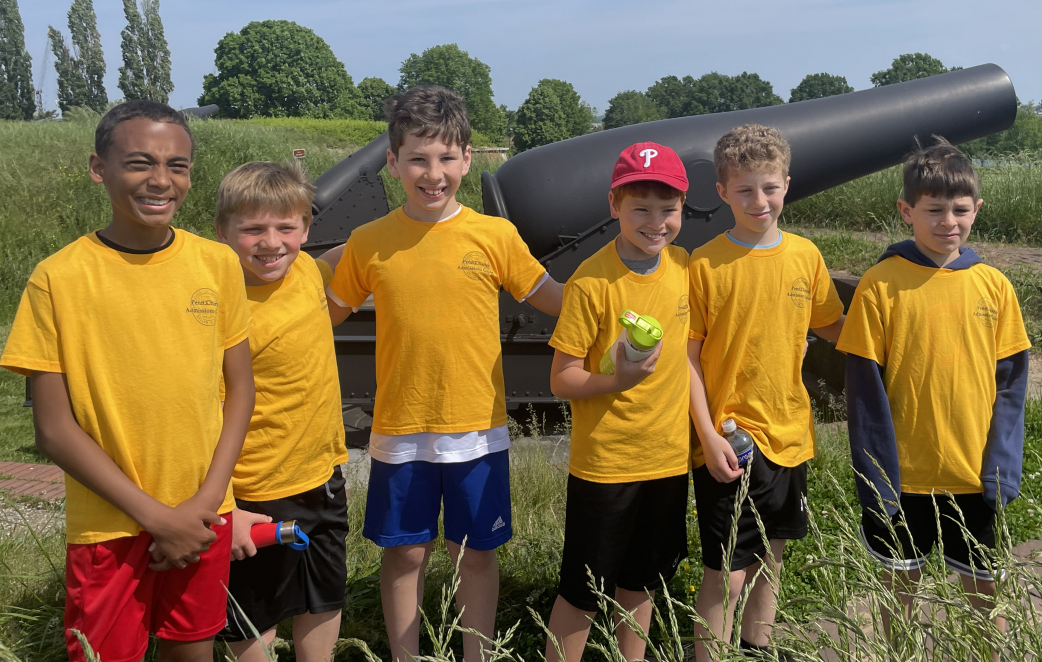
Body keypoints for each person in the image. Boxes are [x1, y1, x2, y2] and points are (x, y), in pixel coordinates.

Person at [0, 101, 254, 662]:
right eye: (140, 163)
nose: (161, 180)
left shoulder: (218, 265)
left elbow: (240, 391)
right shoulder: (57, 278)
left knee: (193, 651)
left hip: (204, 513)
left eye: (177, 165)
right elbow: (53, 430)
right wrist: (157, 518)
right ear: (99, 168)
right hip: (109, 528)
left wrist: (204, 504)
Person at [326, 86, 563, 662]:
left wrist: (629, 287)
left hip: (477, 428)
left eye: (446, 158)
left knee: (474, 554)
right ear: (392, 162)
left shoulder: (495, 235)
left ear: (467, 158)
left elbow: (558, 300)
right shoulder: (369, 242)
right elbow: (318, 318)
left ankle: (475, 655)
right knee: (406, 553)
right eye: (417, 159)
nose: (433, 174)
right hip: (400, 431)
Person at [837, 138, 1030, 660]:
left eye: (960, 210)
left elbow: (1012, 387)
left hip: (976, 476)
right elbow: (863, 394)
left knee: (985, 595)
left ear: (977, 209)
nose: (949, 222)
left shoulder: (994, 286)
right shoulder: (880, 284)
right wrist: (875, 476)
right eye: (934, 210)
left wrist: (1002, 465)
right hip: (903, 480)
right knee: (899, 594)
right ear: (907, 211)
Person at [687, 124, 845, 662]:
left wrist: (901, 326)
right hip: (731, 439)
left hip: (790, 434)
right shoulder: (704, 263)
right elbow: (687, 357)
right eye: (746, 189)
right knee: (726, 574)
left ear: (787, 186)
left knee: (769, 561)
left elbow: (833, 326)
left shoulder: (806, 255)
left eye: (770, 187)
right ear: (722, 192)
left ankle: (758, 650)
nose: (760, 200)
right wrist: (706, 435)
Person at [544, 141, 692, 662]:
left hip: (668, 459)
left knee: (642, 583)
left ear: (683, 209)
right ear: (614, 205)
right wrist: (617, 381)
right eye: (641, 209)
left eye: (668, 209)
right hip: (607, 465)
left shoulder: (683, 267)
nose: (656, 223)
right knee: (583, 594)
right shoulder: (590, 282)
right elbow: (562, 378)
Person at [213, 162, 349, 661]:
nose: (271, 243)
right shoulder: (220, 308)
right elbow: (204, 414)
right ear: (222, 231)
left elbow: (344, 256)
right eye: (253, 229)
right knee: (256, 617)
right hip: (256, 489)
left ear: (305, 229)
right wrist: (225, 506)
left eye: (285, 228)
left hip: (322, 478)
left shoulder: (308, 270)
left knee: (323, 598)